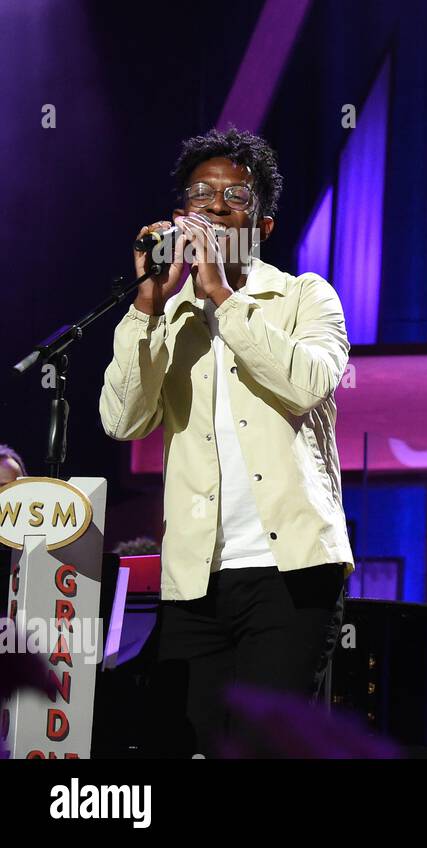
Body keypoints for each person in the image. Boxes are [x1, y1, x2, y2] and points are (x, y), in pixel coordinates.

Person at [99, 128, 354, 756]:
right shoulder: (167, 312)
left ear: (262, 224)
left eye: (232, 196)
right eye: (199, 195)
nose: (212, 208)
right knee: (194, 744)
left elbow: (310, 381)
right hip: (197, 579)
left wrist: (221, 294)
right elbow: (122, 420)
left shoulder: (303, 295)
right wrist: (146, 308)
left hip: (290, 574)